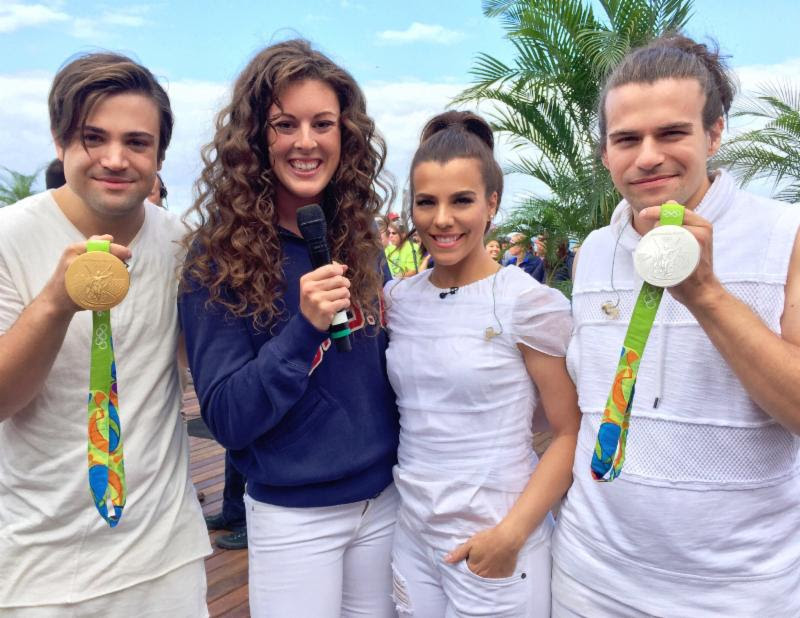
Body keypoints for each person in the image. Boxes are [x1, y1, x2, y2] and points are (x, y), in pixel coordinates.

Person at [551, 34, 800, 617]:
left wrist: (707, 295)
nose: (647, 157)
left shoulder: (784, 236)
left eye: (671, 133)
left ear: (715, 133)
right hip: (590, 579)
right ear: (605, 151)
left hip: (738, 593)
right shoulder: (593, 250)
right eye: (626, 139)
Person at [178, 39, 399, 617]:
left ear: (345, 136)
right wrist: (304, 329)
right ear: (255, 140)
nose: (306, 141)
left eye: (322, 123)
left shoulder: (361, 239)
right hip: (295, 516)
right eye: (284, 124)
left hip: (387, 503)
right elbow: (226, 417)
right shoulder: (215, 258)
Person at [0, 52, 210, 615]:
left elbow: (209, 368)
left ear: (160, 156)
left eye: (137, 143)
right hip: (40, 567)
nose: (115, 159)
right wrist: (55, 303)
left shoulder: (185, 246)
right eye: (93, 138)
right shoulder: (8, 239)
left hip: (165, 557)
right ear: (59, 138)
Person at [385, 110, 580, 616]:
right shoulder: (400, 298)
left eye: (462, 201)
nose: (442, 219)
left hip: (494, 544)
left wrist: (509, 535)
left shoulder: (527, 303)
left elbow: (567, 431)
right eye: (426, 203)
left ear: (492, 203)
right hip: (411, 537)